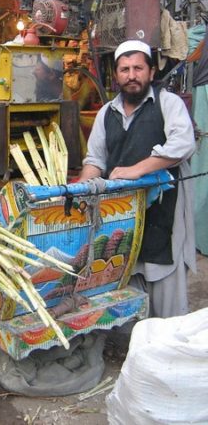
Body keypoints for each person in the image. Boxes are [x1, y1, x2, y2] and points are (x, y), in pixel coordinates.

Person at [78, 39, 196, 318]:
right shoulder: (106, 113)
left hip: (163, 215)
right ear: (116, 75)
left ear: (151, 72)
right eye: (125, 69)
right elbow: (95, 160)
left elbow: (183, 144)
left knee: (167, 309)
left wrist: (137, 170)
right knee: (125, 287)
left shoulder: (168, 104)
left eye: (138, 68)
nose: (131, 75)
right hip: (121, 218)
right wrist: (82, 190)